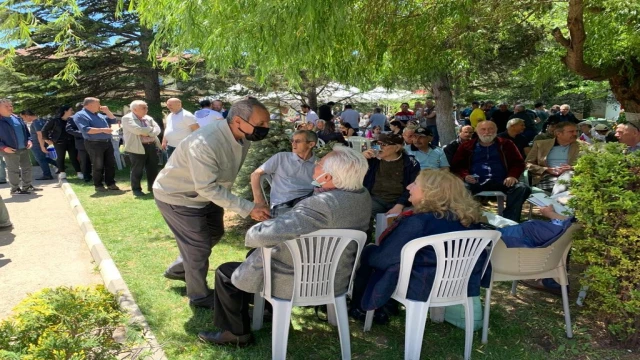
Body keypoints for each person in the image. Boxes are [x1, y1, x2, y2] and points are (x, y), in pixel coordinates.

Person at [198, 146, 371, 346]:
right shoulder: (362, 196)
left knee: (225, 273)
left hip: (301, 279)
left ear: (328, 177)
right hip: (337, 277)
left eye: (320, 164)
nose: (315, 164)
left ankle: (235, 333)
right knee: (253, 256)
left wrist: (255, 230)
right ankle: (268, 311)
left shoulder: (322, 204)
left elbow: (264, 236)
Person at [153, 98, 271, 309]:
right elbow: (206, 187)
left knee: (214, 233)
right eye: (260, 124)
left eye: (267, 124)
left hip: (208, 194)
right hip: (179, 196)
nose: (265, 128)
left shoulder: (244, 136)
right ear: (237, 120)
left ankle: (179, 269)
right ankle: (198, 296)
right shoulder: (205, 142)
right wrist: (249, 207)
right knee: (197, 246)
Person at [348, 169, 487, 321]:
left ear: (431, 192)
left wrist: (368, 252)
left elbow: (383, 259)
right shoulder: (470, 220)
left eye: (415, 183)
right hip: (460, 283)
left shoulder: (419, 222)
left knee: (372, 254)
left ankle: (364, 309)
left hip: (421, 286)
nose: (408, 187)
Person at [451, 120, 531, 222]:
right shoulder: (467, 146)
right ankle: (468, 220)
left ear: (496, 130)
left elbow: (518, 163)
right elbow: (457, 165)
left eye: (490, 129)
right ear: (477, 131)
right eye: (483, 129)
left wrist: (512, 175)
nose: (487, 132)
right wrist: (465, 176)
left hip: (502, 181)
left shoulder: (506, 144)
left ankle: (509, 221)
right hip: (476, 181)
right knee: (460, 188)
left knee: (522, 188)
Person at [362, 133, 420, 239]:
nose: (379, 148)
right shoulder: (372, 160)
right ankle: (366, 247)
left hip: (402, 201)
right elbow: (349, 172)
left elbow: (412, 186)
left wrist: (400, 205)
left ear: (397, 147)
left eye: (383, 144)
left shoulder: (411, 163)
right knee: (363, 215)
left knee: (414, 218)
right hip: (376, 199)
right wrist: (360, 158)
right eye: (376, 144)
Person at [250, 130, 317, 217]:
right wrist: (258, 200)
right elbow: (255, 174)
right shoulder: (281, 157)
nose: (293, 144)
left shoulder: (319, 163)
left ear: (311, 144)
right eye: (292, 141)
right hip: (282, 204)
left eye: (298, 141)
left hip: (307, 203)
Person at [74, 97, 120, 193]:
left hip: (107, 141)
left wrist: (107, 111)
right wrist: (103, 130)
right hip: (94, 143)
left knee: (110, 164)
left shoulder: (99, 115)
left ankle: (110, 183)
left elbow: (113, 121)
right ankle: (98, 185)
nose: (100, 106)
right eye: (98, 104)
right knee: (98, 165)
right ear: (90, 105)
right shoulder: (80, 115)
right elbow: (86, 129)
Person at [525, 122, 580, 195]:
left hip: (572, 177)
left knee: (567, 175)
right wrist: (547, 169)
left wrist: (572, 168)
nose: (575, 134)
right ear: (558, 134)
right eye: (571, 131)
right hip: (547, 178)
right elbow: (527, 164)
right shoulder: (541, 144)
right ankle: (556, 201)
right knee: (567, 190)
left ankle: (553, 202)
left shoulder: (583, 146)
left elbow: (590, 164)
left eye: (576, 131)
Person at [121, 100, 162, 197]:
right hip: (137, 147)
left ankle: (152, 187)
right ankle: (136, 189)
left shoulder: (148, 117)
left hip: (151, 145)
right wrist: (151, 131)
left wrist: (148, 132)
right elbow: (137, 130)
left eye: (146, 107)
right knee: (137, 169)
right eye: (144, 108)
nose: (146, 110)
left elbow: (158, 129)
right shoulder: (127, 118)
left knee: (152, 168)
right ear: (135, 109)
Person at [0, 98, 37, 195]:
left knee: (27, 167)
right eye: (6, 106)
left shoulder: (17, 118)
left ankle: (27, 186)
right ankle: (15, 189)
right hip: (9, 150)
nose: (10, 108)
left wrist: (29, 140)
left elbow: (27, 132)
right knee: (13, 170)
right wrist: (3, 147)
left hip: (23, 148)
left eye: (11, 106)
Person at [42, 105, 83, 180]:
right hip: (59, 142)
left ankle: (79, 172)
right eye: (71, 110)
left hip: (72, 141)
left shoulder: (73, 119)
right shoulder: (54, 120)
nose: (72, 111)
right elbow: (44, 130)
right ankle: (62, 172)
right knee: (61, 157)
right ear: (65, 111)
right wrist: (47, 139)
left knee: (74, 157)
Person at [21, 110, 56, 181]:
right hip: (39, 144)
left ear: (27, 116)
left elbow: (40, 135)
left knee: (41, 159)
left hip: (38, 144)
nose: (23, 120)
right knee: (42, 159)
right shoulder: (41, 120)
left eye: (23, 118)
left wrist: (42, 146)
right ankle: (60, 166)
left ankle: (47, 175)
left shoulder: (36, 122)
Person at [66, 103, 92, 183]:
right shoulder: (72, 118)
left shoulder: (91, 116)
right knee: (84, 160)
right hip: (81, 142)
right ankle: (86, 176)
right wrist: (82, 133)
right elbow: (69, 129)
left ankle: (97, 174)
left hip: (93, 141)